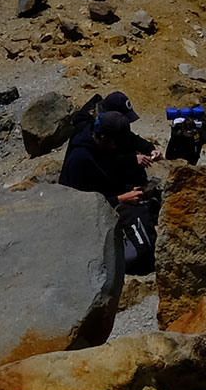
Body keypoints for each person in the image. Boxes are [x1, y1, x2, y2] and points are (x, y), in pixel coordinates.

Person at [58, 92, 159, 273]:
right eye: (116, 143)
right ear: (105, 138)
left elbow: (109, 174)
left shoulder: (98, 138)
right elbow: (78, 205)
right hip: (80, 217)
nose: (118, 147)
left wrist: (131, 189)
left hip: (103, 194)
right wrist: (120, 199)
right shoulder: (81, 159)